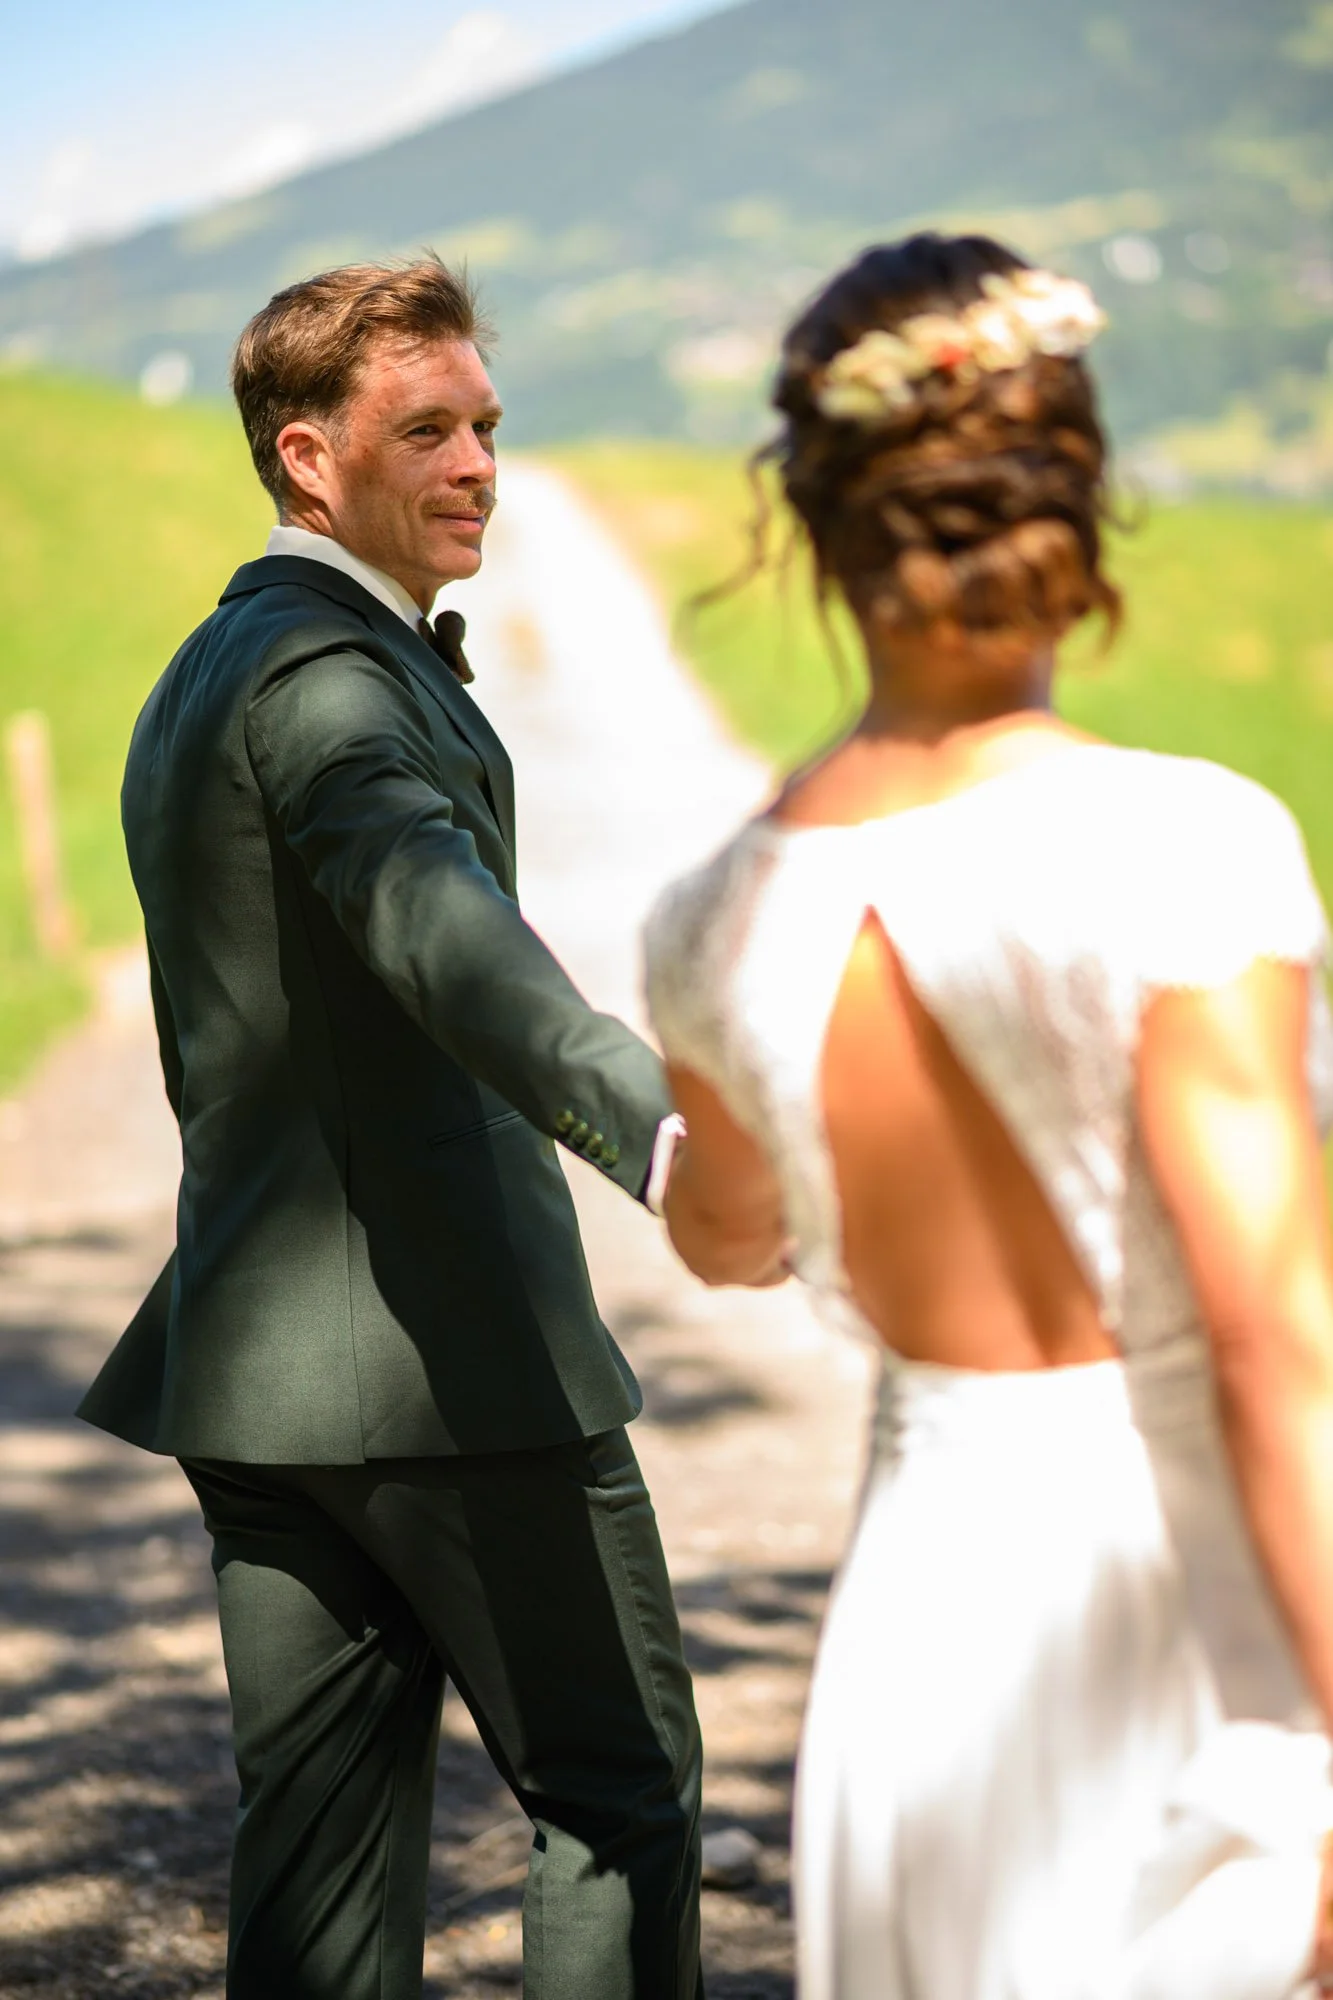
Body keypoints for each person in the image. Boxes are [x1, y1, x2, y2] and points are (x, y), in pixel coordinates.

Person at [645, 232, 1333, 1998]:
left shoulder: (716, 914)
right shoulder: (1187, 843)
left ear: (817, 527)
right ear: (1077, 505)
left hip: (916, 1641)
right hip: (1177, 1622)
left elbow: (722, 1233)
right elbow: (1276, 1346)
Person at [78, 257, 703, 2000]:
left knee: (326, 1861)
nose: (479, 463)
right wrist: (647, 1126)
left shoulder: (207, 667)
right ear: (304, 459)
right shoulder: (324, 685)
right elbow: (436, 925)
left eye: (488, 426)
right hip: (456, 1374)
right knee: (614, 1804)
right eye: (425, 429)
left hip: (265, 1391)